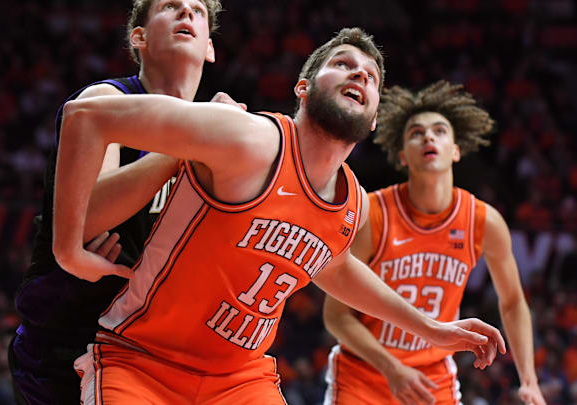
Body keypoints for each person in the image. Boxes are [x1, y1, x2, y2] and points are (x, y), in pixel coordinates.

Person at [52, 28, 507, 404]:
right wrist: (67, 249)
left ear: (372, 121)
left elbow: (333, 265)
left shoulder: (353, 202)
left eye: (371, 75)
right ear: (303, 89)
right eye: (344, 64)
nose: (360, 76)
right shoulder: (250, 139)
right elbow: (86, 116)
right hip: (143, 362)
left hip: (240, 380)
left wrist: (432, 329)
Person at [7, 1, 237, 403]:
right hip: (68, 339)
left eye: (197, 10)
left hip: (151, 349)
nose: (186, 14)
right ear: (139, 38)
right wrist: (192, 142)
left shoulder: (218, 135)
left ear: (210, 49)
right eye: (171, 7)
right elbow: (88, 220)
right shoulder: (106, 100)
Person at [322, 81, 545, 405]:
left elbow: (512, 302)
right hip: (365, 373)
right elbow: (336, 316)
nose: (428, 137)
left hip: (432, 376)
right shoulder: (373, 213)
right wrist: (393, 369)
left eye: (440, 131)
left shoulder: (483, 221)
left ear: (455, 150)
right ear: (402, 156)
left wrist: (529, 380)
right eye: (416, 132)